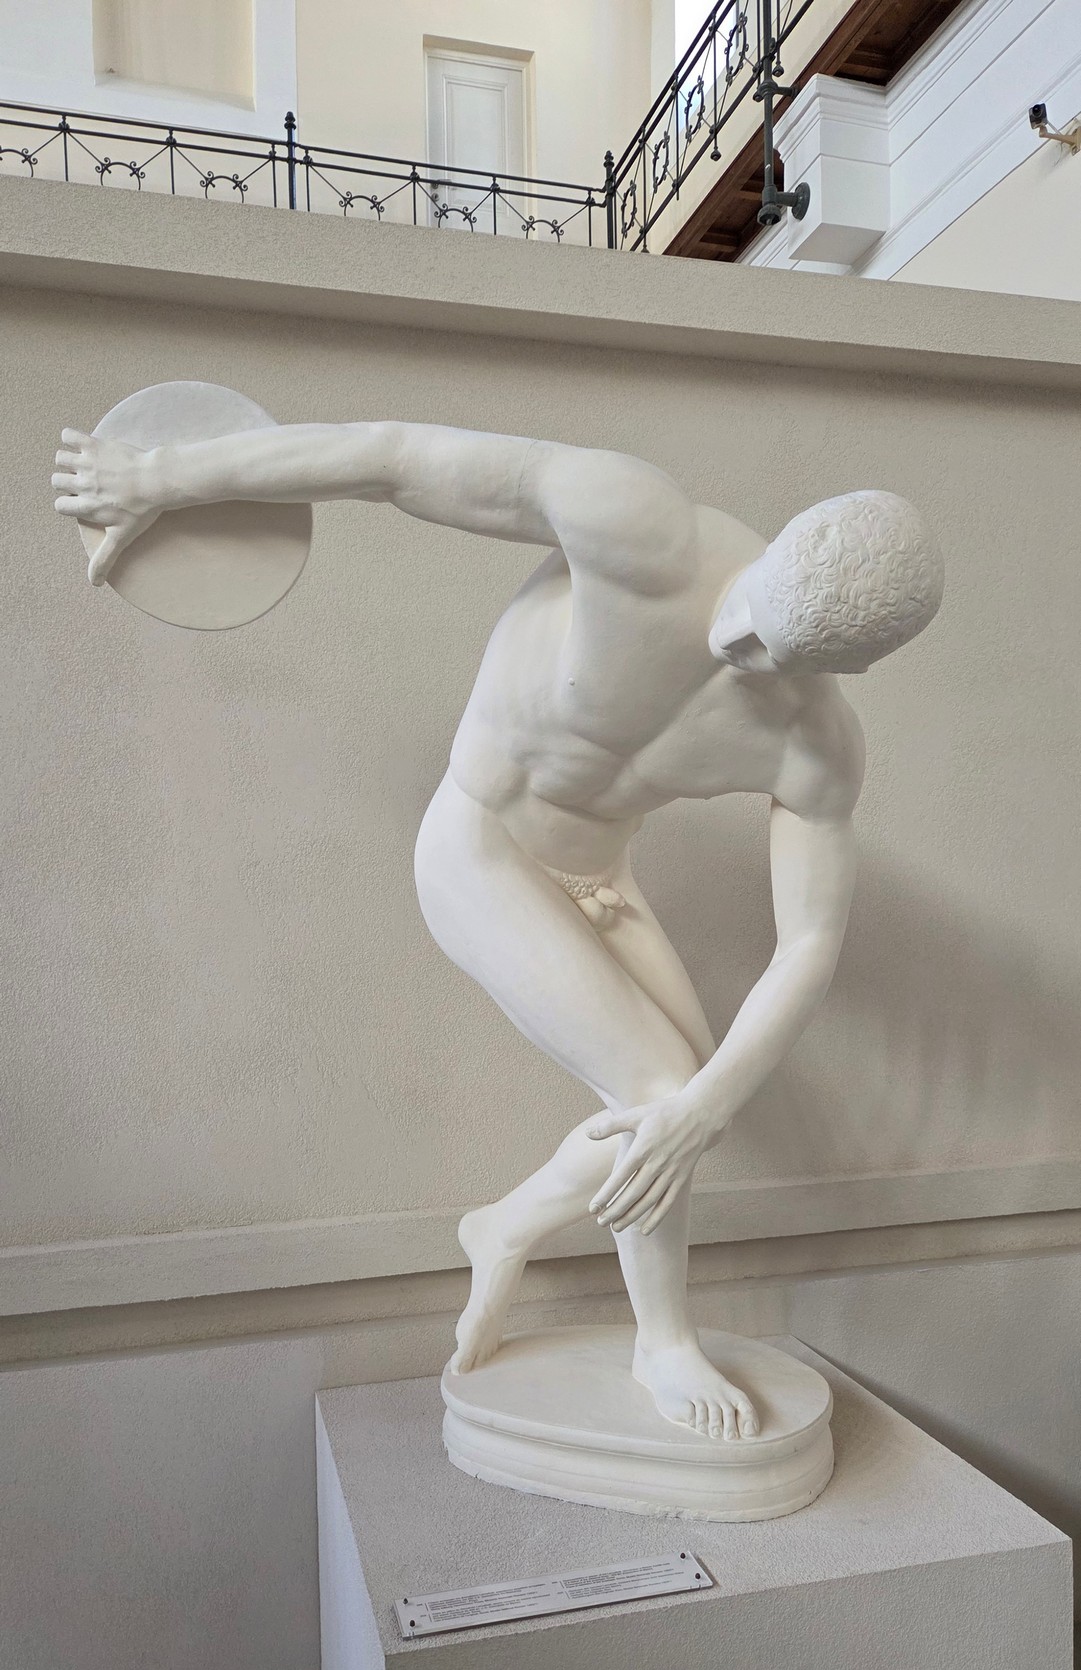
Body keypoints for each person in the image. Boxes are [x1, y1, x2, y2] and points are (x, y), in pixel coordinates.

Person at [52, 418, 944, 1441]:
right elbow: (391, 461)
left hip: (598, 881)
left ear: (849, 668)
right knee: (662, 1092)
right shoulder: (636, 525)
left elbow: (808, 945)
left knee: (681, 1110)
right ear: (781, 543)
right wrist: (154, 474)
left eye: (774, 657)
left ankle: (506, 1226)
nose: (734, 647)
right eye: (751, 615)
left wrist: (708, 1107)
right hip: (477, 847)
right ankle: (660, 1343)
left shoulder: (814, 743)